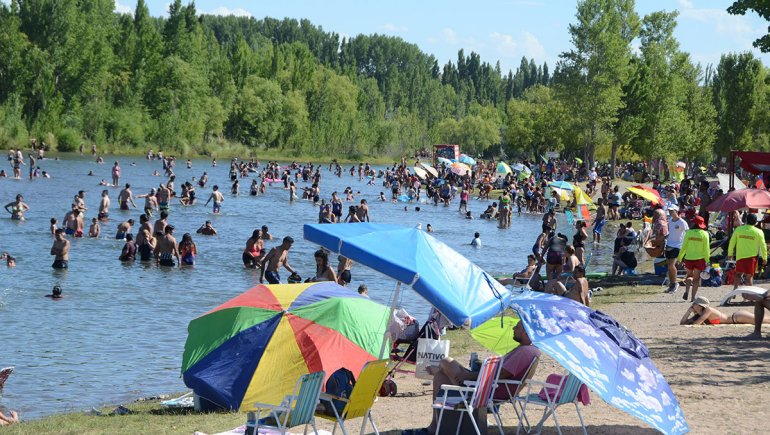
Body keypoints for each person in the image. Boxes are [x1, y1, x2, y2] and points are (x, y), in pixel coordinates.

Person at [423, 321, 540, 435]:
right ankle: (435, 425)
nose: (513, 329)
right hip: (491, 386)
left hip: (488, 390)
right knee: (439, 377)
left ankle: (459, 394)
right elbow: (501, 372)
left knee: (446, 361)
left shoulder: (524, 352)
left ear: (526, 333)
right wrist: (480, 367)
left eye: (517, 328)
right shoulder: (531, 350)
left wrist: (470, 375)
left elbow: (501, 374)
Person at [728, 213, 767, 289]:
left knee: (738, 274)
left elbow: (732, 242)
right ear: (755, 222)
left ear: (746, 220)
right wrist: (764, 258)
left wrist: (730, 254)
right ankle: (750, 295)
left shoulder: (738, 229)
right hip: (752, 258)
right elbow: (763, 246)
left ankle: (734, 290)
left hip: (740, 257)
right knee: (749, 277)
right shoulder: (759, 232)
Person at [677, 215, 710, 302]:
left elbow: (684, 246)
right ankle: (693, 297)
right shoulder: (705, 234)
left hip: (689, 258)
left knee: (689, 276)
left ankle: (687, 291)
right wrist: (708, 260)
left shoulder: (688, 233)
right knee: (696, 279)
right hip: (699, 259)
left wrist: (680, 258)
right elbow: (706, 249)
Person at [680, 296, 769, 326]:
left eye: (694, 304)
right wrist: (688, 311)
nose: (692, 305)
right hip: (736, 319)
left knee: (763, 320)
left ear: (700, 305)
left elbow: (697, 323)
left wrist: (693, 315)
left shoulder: (708, 310)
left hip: (737, 317)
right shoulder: (699, 314)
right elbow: (682, 323)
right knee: (763, 320)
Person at [663, 205, 688, 294]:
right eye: (669, 211)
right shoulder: (670, 221)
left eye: (672, 211)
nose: (670, 212)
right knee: (669, 266)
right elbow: (670, 232)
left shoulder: (682, 222)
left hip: (678, 245)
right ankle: (672, 284)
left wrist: (686, 246)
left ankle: (675, 284)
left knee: (671, 265)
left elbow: (687, 233)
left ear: (676, 211)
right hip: (669, 244)